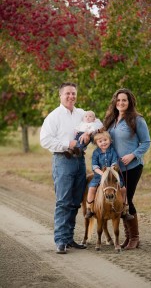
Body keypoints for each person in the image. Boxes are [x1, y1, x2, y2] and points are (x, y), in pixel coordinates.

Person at [40, 82, 102, 254]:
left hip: (79, 161)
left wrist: (89, 136)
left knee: (75, 201)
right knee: (63, 201)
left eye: (73, 93)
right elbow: (45, 140)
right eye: (67, 93)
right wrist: (68, 143)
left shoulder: (82, 114)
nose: (71, 96)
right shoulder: (54, 116)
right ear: (60, 95)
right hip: (63, 160)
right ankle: (60, 241)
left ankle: (69, 238)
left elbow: (95, 126)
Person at [103, 88, 151, 250]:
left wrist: (133, 155)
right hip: (115, 169)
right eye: (118, 100)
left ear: (129, 102)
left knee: (127, 200)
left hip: (132, 166)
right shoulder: (111, 119)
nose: (121, 103)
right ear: (114, 102)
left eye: (124, 100)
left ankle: (135, 238)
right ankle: (128, 237)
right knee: (120, 201)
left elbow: (146, 142)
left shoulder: (137, 120)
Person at [85, 131, 133, 221]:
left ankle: (125, 210)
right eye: (100, 141)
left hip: (112, 176)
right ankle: (89, 208)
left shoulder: (113, 151)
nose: (103, 142)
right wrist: (102, 173)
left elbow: (114, 162)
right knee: (91, 188)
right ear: (96, 143)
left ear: (110, 140)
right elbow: (95, 166)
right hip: (99, 176)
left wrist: (111, 169)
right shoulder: (96, 153)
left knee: (123, 189)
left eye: (105, 140)